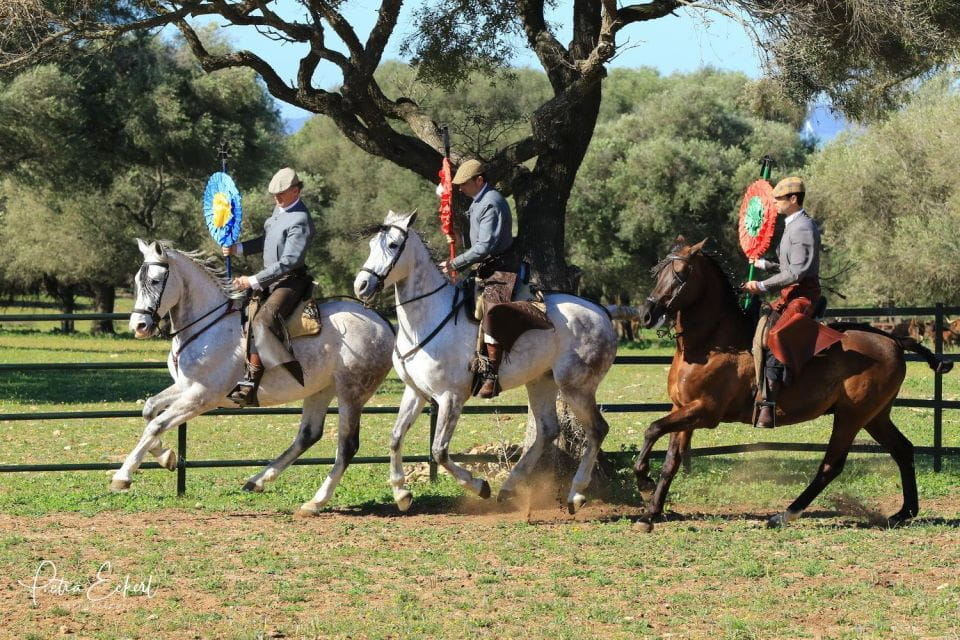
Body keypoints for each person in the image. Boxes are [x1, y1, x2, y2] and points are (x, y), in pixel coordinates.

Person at [222, 167, 316, 407]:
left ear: (295, 191)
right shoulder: (279, 211)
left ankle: (250, 383)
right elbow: (267, 242)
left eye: (281, 193)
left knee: (263, 321)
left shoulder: (300, 219)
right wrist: (238, 248)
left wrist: (253, 280)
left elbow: (289, 261)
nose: (277, 197)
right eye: (275, 194)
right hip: (270, 280)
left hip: (290, 281)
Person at [743, 176, 822, 428]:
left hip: (803, 294)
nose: (774, 203)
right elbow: (789, 266)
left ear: (793, 199)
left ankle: (769, 403)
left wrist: (761, 285)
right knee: (760, 325)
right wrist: (765, 265)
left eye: (778, 199)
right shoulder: (792, 224)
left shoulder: (803, 228)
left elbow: (797, 272)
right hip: (790, 293)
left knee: (777, 335)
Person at [439, 159, 515, 398]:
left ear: (479, 180)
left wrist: (454, 263)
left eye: (464, 184)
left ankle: (492, 375)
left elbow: (484, 247)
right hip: (484, 269)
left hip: (500, 269)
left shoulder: (491, 202)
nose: (461, 188)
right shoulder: (479, 201)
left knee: (492, 313)